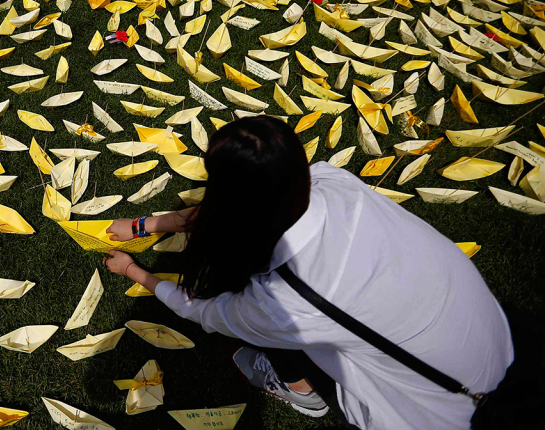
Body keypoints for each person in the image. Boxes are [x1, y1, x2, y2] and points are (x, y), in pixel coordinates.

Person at [104, 116, 513, 430]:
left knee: (268, 330)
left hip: (434, 412)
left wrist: (135, 270)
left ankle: (302, 391)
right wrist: (144, 225)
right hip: (490, 337)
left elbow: (203, 311)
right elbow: (228, 210)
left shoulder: (287, 300)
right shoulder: (332, 181)